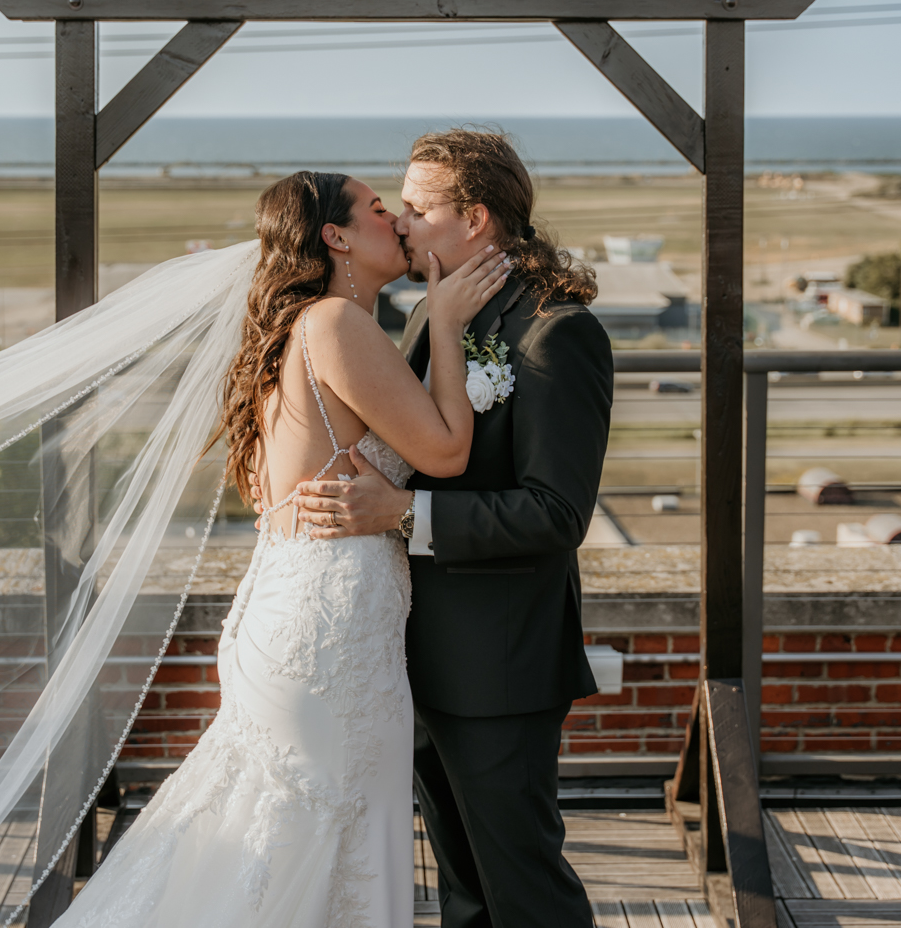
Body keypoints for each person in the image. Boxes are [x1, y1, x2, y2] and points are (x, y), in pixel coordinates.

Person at [50, 170, 509, 927]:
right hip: (329, 639)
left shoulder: (301, 329)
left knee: (283, 846)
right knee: (313, 848)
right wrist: (448, 321)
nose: (396, 220)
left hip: (299, 614)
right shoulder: (334, 323)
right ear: (335, 236)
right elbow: (448, 451)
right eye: (377, 208)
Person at [293, 129, 612, 928]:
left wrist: (407, 515)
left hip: (500, 667)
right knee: (464, 896)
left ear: (474, 219)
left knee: (526, 893)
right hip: (415, 655)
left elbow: (557, 512)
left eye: (415, 207)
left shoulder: (555, 333)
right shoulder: (431, 316)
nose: (400, 223)